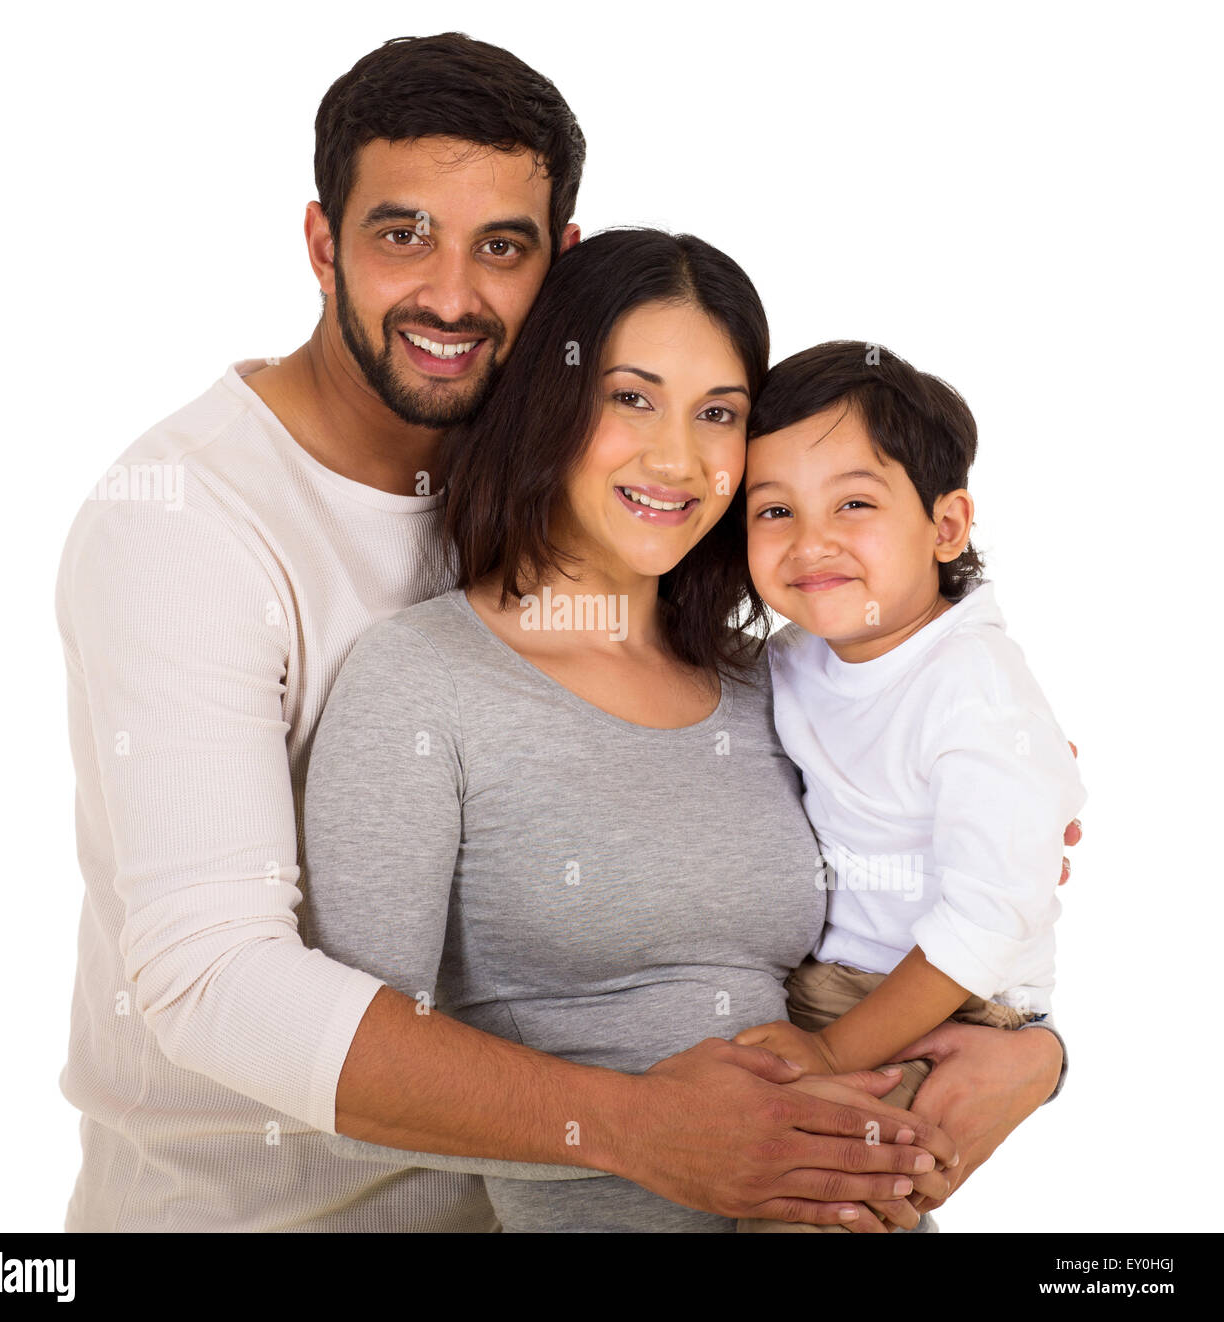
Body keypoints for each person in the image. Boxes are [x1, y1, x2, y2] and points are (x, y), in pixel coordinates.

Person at [54, 33, 1069, 1233]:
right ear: (323, 244)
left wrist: (1024, 1050)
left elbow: (928, 873)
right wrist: (639, 1128)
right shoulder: (193, 527)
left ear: (559, 276)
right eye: (400, 232)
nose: (449, 293)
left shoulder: (731, 652)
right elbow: (215, 980)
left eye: (501, 246)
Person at [302, 232, 1070, 1231]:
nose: (677, 455)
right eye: (631, 396)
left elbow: (964, 887)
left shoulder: (777, 681)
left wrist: (1038, 1056)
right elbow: (345, 1075)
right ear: (551, 400)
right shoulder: (419, 684)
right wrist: (637, 1126)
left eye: (719, 413)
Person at [730, 341, 1086, 1232]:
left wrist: (828, 1050)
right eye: (774, 510)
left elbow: (980, 922)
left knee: (815, 1205)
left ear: (946, 527)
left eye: (854, 502)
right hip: (835, 986)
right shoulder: (795, 660)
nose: (810, 541)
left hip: (956, 1006)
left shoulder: (975, 686)